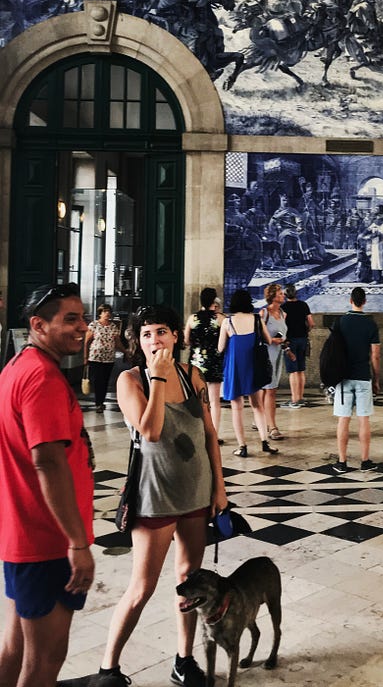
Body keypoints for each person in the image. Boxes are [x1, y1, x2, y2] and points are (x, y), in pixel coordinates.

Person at [91, 305, 226, 687]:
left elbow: (209, 435)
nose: (155, 340)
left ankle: (183, 660)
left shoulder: (193, 375)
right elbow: (150, 432)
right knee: (142, 588)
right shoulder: (131, 380)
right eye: (147, 334)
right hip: (155, 493)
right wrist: (158, 379)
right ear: (137, 341)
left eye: (162, 332)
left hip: (196, 492)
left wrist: (219, 486)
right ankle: (108, 668)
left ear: (175, 336)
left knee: (189, 580)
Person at [0, 283, 94, 687]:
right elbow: (48, 462)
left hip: (24, 536)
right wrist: (77, 543)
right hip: (48, 542)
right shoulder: (43, 380)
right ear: (38, 325)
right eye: (70, 319)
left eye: (82, 317)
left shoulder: (18, 366)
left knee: (15, 649)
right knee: (44, 663)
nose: (82, 327)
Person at [218, 290, 276, 457]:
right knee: (257, 406)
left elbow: (221, 348)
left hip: (234, 367)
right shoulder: (257, 319)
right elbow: (268, 340)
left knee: (237, 407)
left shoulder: (228, 322)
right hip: (253, 366)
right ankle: (265, 441)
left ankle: (242, 446)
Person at [331, 287, 379, 474]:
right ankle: (365, 461)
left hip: (343, 377)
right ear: (364, 301)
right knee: (364, 419)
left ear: (350, 300)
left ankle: (342, 462)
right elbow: (375, 355)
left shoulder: (340, 322)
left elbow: (332, 351)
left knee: (343, 419)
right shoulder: (370, 324)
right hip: (363, 376)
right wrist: (376, 379)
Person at [184, 289, 225, 442]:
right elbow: (224, 341)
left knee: (197, 399)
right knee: (214, 401)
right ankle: (214, 434)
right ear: (214, 301)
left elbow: (186, 340)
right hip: (214, 361)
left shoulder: (192, 318)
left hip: (196, 363)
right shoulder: (220, 319)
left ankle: (198, 431)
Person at [257, 284, 289, 442]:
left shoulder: (283, 314)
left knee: (268, 390)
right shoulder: (264, 313)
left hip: (278, 355)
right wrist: (271, 340)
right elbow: (258, 335)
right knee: (270, 391)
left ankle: (261, 418)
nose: (283, 295)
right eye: (280, 293)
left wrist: (286, 346)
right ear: (273, 296)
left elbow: (284, 336)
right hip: (266, 355)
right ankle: (272, 427)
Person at [83, 304, 123, 412]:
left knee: (105, 381)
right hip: (95, 357)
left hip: (109, 358)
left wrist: (125, 352)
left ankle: (101, 401)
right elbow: (87, 342)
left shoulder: (113, 326)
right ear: (100, 313)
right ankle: (98, 403)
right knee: (97, 380)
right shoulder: (94, 325)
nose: (107, 314)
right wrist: (85, 357)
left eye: (109, 312)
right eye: (105, 311)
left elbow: (117, 342)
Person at [280, 285, 314, 409]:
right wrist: (305, 332)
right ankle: (300, 397)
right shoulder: (303, 305)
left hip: (290, 341)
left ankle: (294, 400)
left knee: (292, 371)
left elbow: (281, 325)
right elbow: (311, 323)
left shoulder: (283, 308)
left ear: (285, 294)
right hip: (303, 339)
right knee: (300, 370)